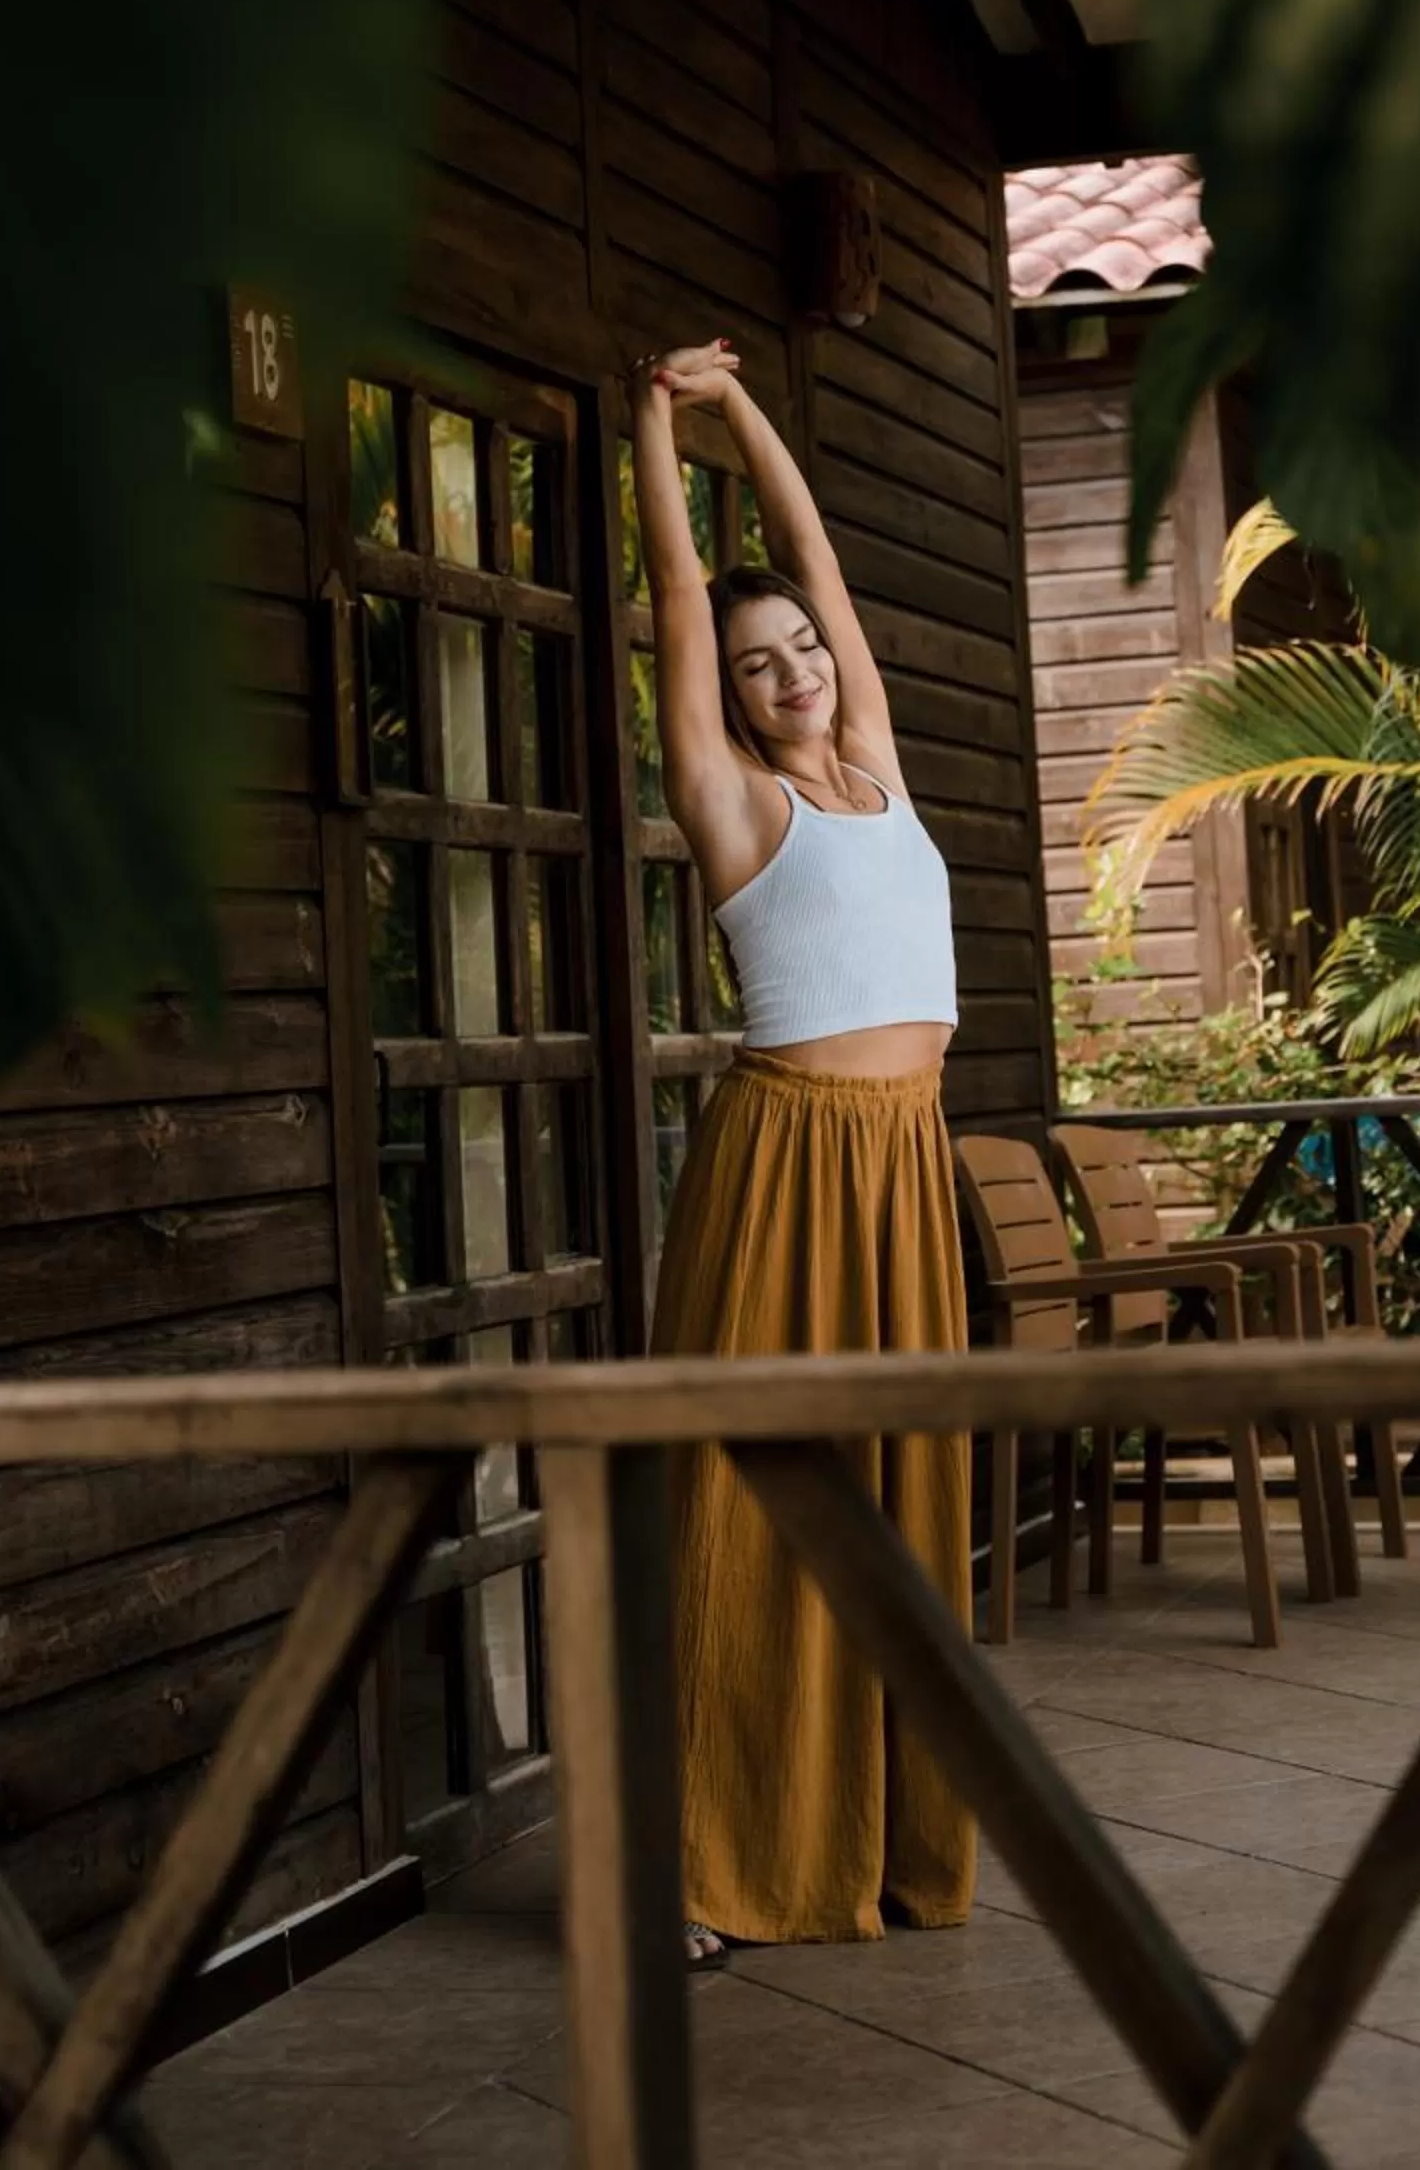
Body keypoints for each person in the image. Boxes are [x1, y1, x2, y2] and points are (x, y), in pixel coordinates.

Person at [628, 337, 976, 1965]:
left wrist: (742, 404)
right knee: (749, 1512)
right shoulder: (734, 801)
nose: (790, 674)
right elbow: (684, 603)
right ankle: (705, 1867)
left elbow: (817, 561)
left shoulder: (882, 771)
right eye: (760, 665)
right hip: (789, 1172)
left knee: (902, 1503)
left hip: (906, 1166)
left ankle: (891, 1844)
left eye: (803, 655)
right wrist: (649, 420)